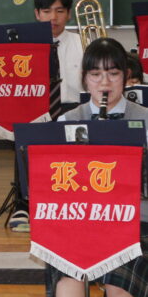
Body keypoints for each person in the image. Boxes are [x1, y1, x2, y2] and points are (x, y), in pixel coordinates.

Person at [51, 38, 148, 297]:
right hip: (81, 219)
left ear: (126, 76)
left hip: (133, 221)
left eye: (113, 74)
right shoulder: (68, 119)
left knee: (119, 287)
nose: (104, 83)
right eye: (95, 74)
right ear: (84, 79)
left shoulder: (146, 119)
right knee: (67, 284)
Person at [11, 0, 84, 232]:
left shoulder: (82, 43)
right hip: (36, 108)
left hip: (74, 110)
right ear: (37, 14)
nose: (53, 17)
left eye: (60, 11)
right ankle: (23, 204)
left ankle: (70, 202)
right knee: (24, 133)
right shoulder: (23, 46)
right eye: (47, 11)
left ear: (69, 14)